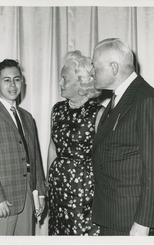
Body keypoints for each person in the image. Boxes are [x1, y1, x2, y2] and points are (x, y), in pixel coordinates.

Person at [91, 38, 154, 235]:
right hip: (112, 216)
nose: (91, 72)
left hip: (131, 222)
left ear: (113, 67)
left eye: (94, 66)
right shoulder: (118, 98)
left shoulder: (147, 101)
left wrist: (143, 223)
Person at [0, 59, 46, 235]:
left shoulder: (27, 117)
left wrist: (40, 193)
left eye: (17, 79)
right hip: (1, 201)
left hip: (27, 197)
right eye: (6, 80)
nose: (13, 85)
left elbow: (35, 157)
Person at [47, 50, 101, 235]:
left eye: (65, 79)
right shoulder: (58, 109)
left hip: (85, 189)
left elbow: (102, 156)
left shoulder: (98, 112)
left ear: (82, 83)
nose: (60, 83)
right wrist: (49, 182)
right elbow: (52, 146)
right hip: (57, 186)